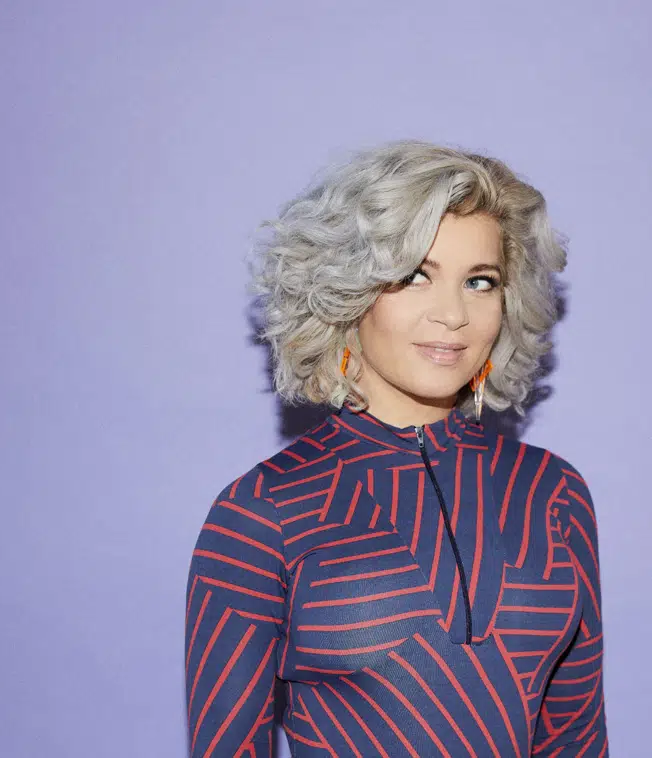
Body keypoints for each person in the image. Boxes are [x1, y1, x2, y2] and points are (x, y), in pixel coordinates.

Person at [184, 140, 608, 757]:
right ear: (345, 290)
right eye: (414, 276)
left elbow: (577, 739)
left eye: (480, 282)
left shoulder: (553, 493)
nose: (453, 314)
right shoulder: (263, 512)